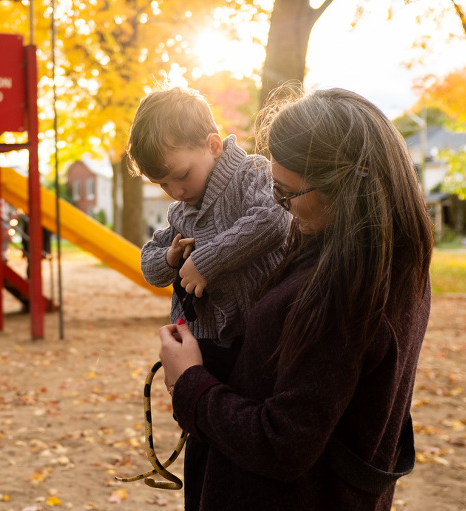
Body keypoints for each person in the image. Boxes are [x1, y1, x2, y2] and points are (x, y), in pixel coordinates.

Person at [157, 87, 434, 510]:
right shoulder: (391, 258)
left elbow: (281, 443)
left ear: (346, 184)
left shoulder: (339, 292)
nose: (277, 204)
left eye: (287, 193)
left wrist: (190, 382)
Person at [127, 85, 290, 509]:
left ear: (213, 146)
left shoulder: (251, 174)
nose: (175, 190)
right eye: (162, 183)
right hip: (206, 346)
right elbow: (148, 265)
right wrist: (170, 256)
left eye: (180, 175)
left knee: (241, 448)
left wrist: (210, 258)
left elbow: (273, 218)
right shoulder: (182, 211)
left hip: (254, 342)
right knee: (201, 443)